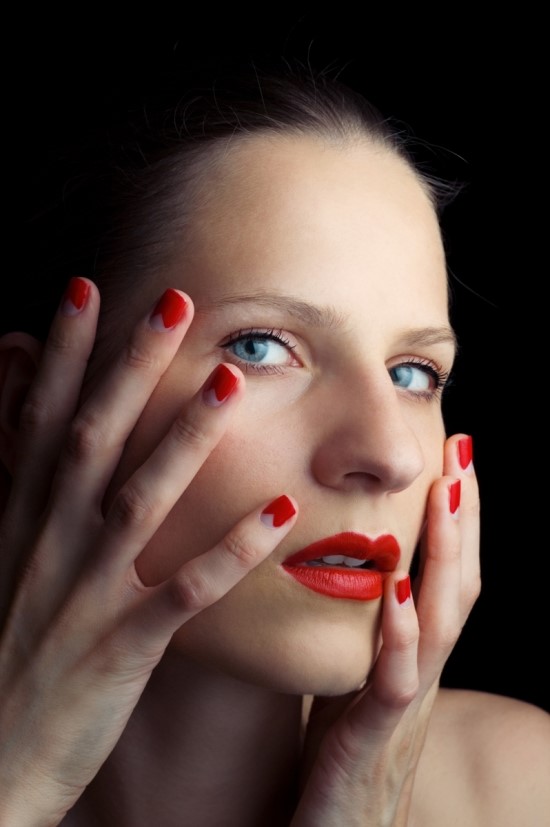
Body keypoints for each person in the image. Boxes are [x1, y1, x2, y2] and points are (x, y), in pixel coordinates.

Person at [0, 58, 548, 827]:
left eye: (414, 372)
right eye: (260, 347)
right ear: (31, 407)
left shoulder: (522, 789)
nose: (390, 455)